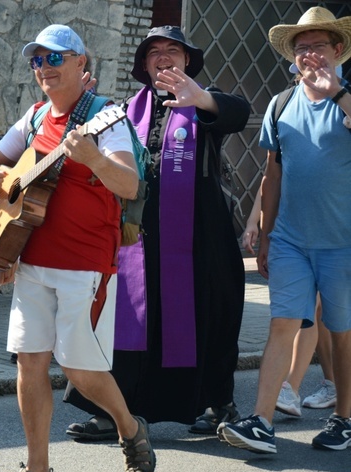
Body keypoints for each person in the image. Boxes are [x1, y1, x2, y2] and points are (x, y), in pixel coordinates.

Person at [0, 24, 154, 472]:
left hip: (85, 263)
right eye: (37, 60)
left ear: (80, 63)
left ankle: (131, 428)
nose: (44, 68)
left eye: (55, 58)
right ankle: (38, 471)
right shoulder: (32, 118)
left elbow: (130, 186)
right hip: (31, 259)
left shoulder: (106, 118)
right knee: (29, 364)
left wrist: (92, 158)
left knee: (79, 371)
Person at [65, 25, 249, 442]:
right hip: (139, 237)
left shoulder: (206, 103)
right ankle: (110, 411)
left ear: (187, 62)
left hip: (200, 238)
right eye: (154, 52)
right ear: (144, 65)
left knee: (213, 317)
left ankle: (216, 403)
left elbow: (239, 112)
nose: (163, 57)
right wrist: (82, 104)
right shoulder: (125, 110)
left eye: (173, 51)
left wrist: (199, 97)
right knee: (124, 323)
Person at [219, 6, 351, 454]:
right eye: (301, 49)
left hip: (343, 242)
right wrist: (268, 233)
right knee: (282, 324)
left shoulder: (348, 100)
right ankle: (262, 420)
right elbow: (271, 176)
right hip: (292, 239)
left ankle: (345, 418)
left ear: (337, 51)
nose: (308, 55)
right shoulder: (280, 104)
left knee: (341, 329)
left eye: (317, 46)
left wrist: (338, 96)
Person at [243, 182, 335, 417]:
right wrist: (254, 221)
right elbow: (270, 178)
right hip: (293, 232)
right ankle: (329, 385)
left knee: (318, 310)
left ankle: (293, 387)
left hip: (332, 229)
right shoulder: (283, 146)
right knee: (314, 311)